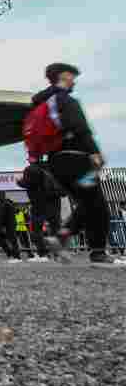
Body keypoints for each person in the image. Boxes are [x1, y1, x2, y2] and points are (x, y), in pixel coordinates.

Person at [30, 62, 125, 266]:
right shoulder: (66, 100)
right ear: (64, 76)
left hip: (56, 162)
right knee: (98, 204)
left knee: (88, 202)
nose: (74, 81)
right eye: (72, 76)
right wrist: (94, 152)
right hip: (76, 159)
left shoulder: (43, 102)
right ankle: (98, 253)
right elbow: (80, 127)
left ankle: (62, 236)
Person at [0, 193, 22, 263]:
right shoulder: (6, 203)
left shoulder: (4, 204)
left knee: (12, 240)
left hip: (8, 225)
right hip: (7, 225)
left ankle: (17, 257)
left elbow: (1, 217)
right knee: (0, 239)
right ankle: (11, 255)